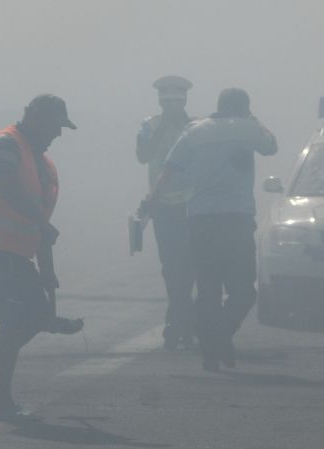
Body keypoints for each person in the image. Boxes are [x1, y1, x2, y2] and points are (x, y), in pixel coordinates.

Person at [0, 94, 84, 421]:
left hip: (13, 255)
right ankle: (0, 402)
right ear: (34, 117)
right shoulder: (6, 145)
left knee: (34, 317)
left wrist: (47, 272)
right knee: (16, 317)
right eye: (54, 126)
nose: (58, 135)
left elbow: (40, 224)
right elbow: (8, 189)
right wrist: (39, 222)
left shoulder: (42, 166)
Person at [151, 88, 278, 371]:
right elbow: (272, 146)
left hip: (200, 222)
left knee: (208, 290)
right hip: (237, 222)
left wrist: (151, 202)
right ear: (244, 108)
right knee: (244, 291)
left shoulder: (195, 132)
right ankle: (220, 337)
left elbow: (168, 170)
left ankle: (212, 350)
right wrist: (254, 120)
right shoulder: (248, 127)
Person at [136, 76, 196, 349]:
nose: (171, 105)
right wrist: (164, 127)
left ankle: (180, 319)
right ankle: (179, 319)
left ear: (184, 101)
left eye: (176, 100)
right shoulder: (149, 125)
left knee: (190, 266)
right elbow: (143, 155)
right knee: (172, 266)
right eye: (167, 100)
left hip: (193, 205)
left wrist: (181, 124)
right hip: (162, 206)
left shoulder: (196, 127)